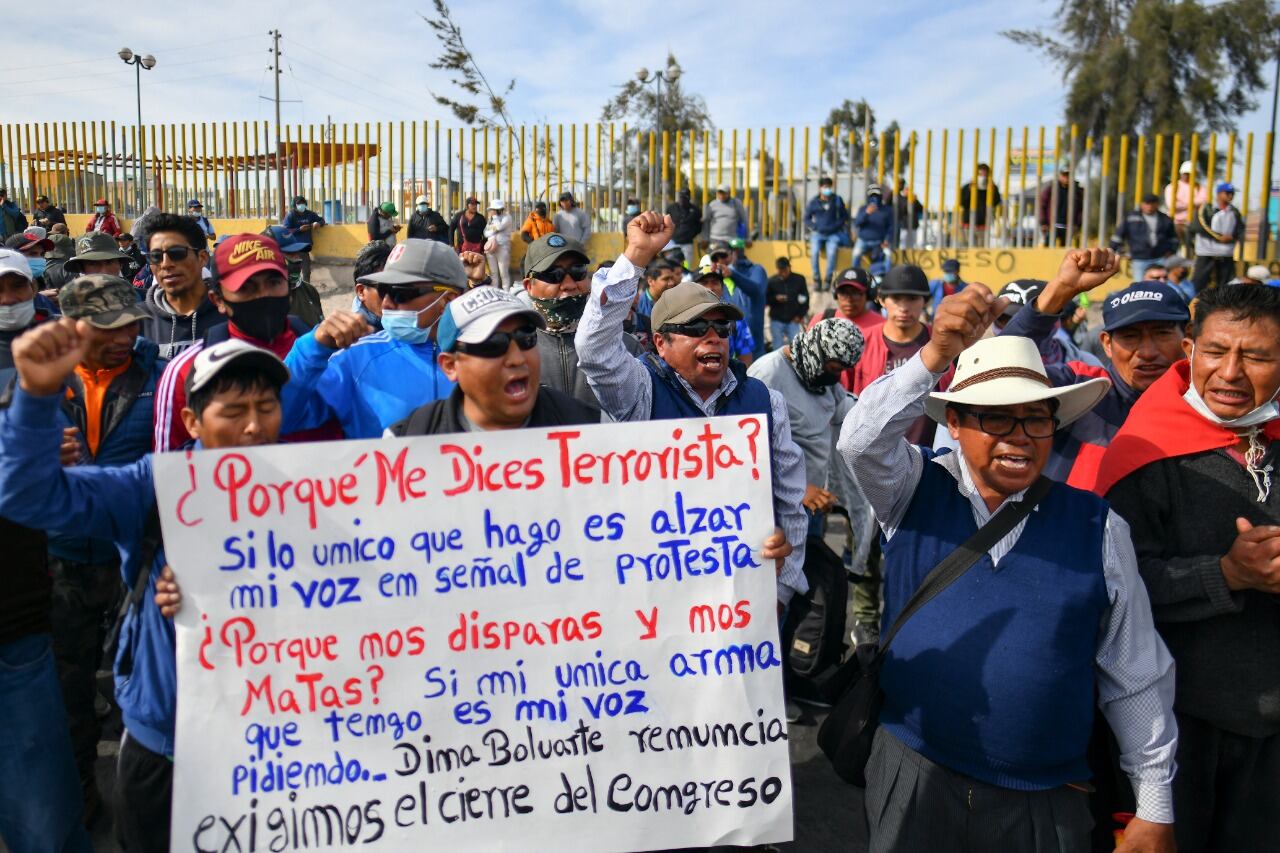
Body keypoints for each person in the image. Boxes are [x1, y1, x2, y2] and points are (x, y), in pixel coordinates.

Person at [837, 298, 1177, 853]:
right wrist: (934, 355)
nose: (1020, 436)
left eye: (1037, 418)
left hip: (1045, 798)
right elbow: (859, 442)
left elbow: (1135, 672)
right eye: (996, 417)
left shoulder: (1098, 526)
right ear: (955, 423)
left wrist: (1155, 804)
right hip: (912, 771)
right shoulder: (915, 489)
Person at [0, 332, 289, 853]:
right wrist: (36, 396)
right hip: (166, 747)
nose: (253, 425)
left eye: (267, 407)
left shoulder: (318, 490)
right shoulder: (152, 486)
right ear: (192, 422)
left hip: (275, 743)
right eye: (234, 409)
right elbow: (27, 497)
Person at [1094, 283, 1280, 852]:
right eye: (1216, 351)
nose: (1230, 372)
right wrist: (1226, 574)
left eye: (1256, 357)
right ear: (1191, 350)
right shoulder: (1144, 451)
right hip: (1176, 728)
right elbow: (1116, 589)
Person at [575, 210, 807, 609]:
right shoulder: (640, 394)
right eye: (697, 329)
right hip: (654, 601)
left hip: (742, 602)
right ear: (661, 343)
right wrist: (634, 257)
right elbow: (595, 349)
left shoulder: (765, 403)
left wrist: (781, 592)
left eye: (722, 329)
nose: (713, 339)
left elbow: (789, 504)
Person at [44, 274, 165, 818]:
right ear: (70, 327)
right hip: (59, 563)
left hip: (132, 565)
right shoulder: (35, 385)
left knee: (136, 691)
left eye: (133, 321)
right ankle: (80, 796)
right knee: (66, 694)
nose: (125, 334)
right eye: (107, 325)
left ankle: (139, 795)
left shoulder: (160, 380)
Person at [0, 255, 92, 852]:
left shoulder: (49, 349)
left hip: (15, 623)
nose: (6, 296)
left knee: (44, 824)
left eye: (15, 285)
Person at [1000, 249, 1191, 493]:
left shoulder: (1212, 406)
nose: (1146, 351)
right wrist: (1061, 289)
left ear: (1188, 336)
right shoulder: (1081, 390)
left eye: (1161, 333)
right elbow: (999, 370)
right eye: (1130, 337)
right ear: (1106, 345)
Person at [284, 239, 481, 439]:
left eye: (400, 293)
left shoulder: (490, 354)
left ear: (448, 300)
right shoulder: (356, 359)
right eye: (384, 291)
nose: (386, 303)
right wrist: (312, 348)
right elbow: (283, 417)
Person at [152, 233, 326, 451]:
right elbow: (170, 471)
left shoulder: (330, 357)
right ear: (218, 300)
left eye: (273, 282)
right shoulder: (184, 371)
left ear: (288, 287)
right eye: (246, 287)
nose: (264, 296)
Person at [390, 286, 603, 436]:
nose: (517, 359)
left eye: (526, 338)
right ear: (450, 366)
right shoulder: (410, 441)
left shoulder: (590, 427)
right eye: (493, 344)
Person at [748, 318, 863, 537]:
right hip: (778, 505)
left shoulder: (822, 382)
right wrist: (797, 489)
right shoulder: (767, 375)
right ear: (815, 350)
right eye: (833, 368)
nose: (835, 376)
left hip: (815, 502)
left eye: (842, 370)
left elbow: (844, 413)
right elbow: (750, 451)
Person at [522, 232, 640, 406]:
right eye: (554, 274)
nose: (569, 285)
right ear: (529, 286)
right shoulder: (513, 352)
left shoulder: (625, 346)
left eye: (578, 271)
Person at [846, 264, 950, 445]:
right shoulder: (859, 343)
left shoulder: (943, 345)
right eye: (896, 298)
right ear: (881, 299)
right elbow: (843, 402)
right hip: (869, 457)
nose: (904, 307)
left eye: (912, 298)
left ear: (925, 301)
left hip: (928, 459)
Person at [138, 213, 223, 360]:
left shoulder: (229, 313)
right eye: (156, 256)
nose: (165, 264)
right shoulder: (136, 321)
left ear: (202, 258)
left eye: (177, 253)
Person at [691, 265, 755, 365]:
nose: (710, 288)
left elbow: (745, 358)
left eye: (715, 283)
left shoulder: (736, 318)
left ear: (722, 287)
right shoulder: (684, 317)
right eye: (704, 283)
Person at [1112, 193, 1179, 281]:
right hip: (1139, 259)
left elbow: (1174, 238)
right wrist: (1116, 251)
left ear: (1157, 204)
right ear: (1142, 204)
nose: (1149, 206)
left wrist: (1171, 251)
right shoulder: (1131, 218)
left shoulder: (1166, 219)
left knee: (1161, 285)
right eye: (1147, 203)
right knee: (1140, 286)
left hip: (1161, 258)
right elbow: (1118, 236)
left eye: (1152, 203)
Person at [1191, 182, 1244, 293]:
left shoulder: (1234, 211)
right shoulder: (1206, 208)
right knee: (1199, 283)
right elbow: (1200, 226)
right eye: (1228, 193)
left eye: (1232, 193)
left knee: (1226, 285)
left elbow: (1240, 229)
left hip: (1226, 253)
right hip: (1206, 252)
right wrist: (1218, 237)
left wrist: (1232, 237)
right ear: (1219, 194)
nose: (1230, 196)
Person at [810, 266, 886, 336]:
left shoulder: (883, 327)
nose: (849, 299)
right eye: (843, 293)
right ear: (836, 294)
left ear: (869, 294)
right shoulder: (821, 320)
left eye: (855, 293)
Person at [805, 177, 850, 290]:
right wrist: (815, 226)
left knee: (832, 253)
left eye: (829, 187)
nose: (827, 189)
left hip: (833, 234)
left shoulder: (837, 200)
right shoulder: (814, 202)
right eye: (825, 187)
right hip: (818, 233)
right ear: (820, 188)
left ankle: (828, 279)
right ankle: (816, 279)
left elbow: (844, 216)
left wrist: (836, 226)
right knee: (814, 253)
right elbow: (806, 218)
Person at [727, 238, 768, 359]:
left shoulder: (756, 270)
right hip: (728, 345)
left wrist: (732, 274)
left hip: (753, 347)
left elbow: (756, 290)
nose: (734, 254)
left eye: (736, 251)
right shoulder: (718, 275)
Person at [280, 195, 326, 285]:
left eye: (303, 203)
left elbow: (322, 220)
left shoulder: (310, 214)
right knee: (293, 272)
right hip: (293, 248)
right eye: (299, 204)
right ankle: (291, 288)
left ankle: (306, 288)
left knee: (306, 272)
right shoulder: (291, 215)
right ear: (295, 205)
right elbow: (285, 231)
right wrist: (299, 230)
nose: (301, 205)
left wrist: (318, 224)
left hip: (304, 247)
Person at [765, 257, 810, 349]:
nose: (783, 273)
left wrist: (800, 315)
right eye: (780, 270)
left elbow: (805, 299)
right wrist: (775, 299)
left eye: (785, 270)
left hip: (793, 319)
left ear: (789, 267)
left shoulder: (799, 279)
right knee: (777, 348)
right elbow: (766, 300)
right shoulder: (771, 281)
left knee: (796, 347)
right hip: (776, 320)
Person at [1164, 160, 1207, 252]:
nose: (1187, 176)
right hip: (1176, 223)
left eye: (1190, 174)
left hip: (1194, 223)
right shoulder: (1172, 187)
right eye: (1185, 173)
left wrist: (1181, 203)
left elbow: (1203, 201)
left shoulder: (1200, 188)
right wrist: (1192, 203)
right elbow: (1171, 205)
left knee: (1193, 249)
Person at [349, 240, 391, 331]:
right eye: (385, 288)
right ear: (361, 291)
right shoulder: (356, 337)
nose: (394, 298)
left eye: (400, 288)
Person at [1039, 162, 1084, 247]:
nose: (1066, 178)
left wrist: (1078, 224)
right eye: (1064, 175)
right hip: (1052, 226)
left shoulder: (1077, 191)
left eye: (1068, 175)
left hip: (1069, 227)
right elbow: (1042, 206)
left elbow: (1081, 209)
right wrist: (1043, 222)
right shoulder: (1051, 189)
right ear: (1059, 176)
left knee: (1066, 251)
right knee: (1048, 249)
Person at [959, 163, 1003, 246]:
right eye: (980, 174)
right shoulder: (967, 187)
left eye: (985, 174)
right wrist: (970, 190)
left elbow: (996, 202)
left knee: (981, 248)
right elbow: (962, 203)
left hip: (983, 225)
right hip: (968, 224)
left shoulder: (992, 188)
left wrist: (993, 190)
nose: (982, 176)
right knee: (968, 248)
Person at [851, 184, 894, 269]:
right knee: (856, 254)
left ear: (881, 196)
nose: (875, 198)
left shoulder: (887, 210)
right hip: (863, 241)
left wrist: (887, 239)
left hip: (880, 241)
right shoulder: (863, 209)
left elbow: (891, 227)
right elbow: (857, 223)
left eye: (877, 195)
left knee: (889, 255)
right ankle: (856, 275)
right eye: (872, 195)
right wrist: (867, 213)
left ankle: (886, 278)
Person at [65, 231, 133, 279]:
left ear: (120, 265)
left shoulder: (137, 297)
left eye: (109, 262)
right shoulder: (71, 298)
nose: (104, 272)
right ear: (81, 268)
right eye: (93, 264)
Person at [483, 199, 515, 290]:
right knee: (493, 273)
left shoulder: (507, 217)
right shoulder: (491, 219)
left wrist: (495, 219)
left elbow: (499, 227)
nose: (492, 211)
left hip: (503, 247)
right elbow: (485, 233)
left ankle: (507, 293)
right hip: (491, 248)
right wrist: (492, 230)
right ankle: (495, 291)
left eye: (494, 209)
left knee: (503, 273)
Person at [665, 187, 701, 262]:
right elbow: (666, 222)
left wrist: (691, 234)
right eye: (681, 197)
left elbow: (699, 226)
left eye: (685, 197)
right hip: (673, 242)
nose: (682, 199)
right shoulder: (672, 208)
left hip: (687, 243)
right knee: (671, 263)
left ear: (689, 197)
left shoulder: (695, 210)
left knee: (687, 264)